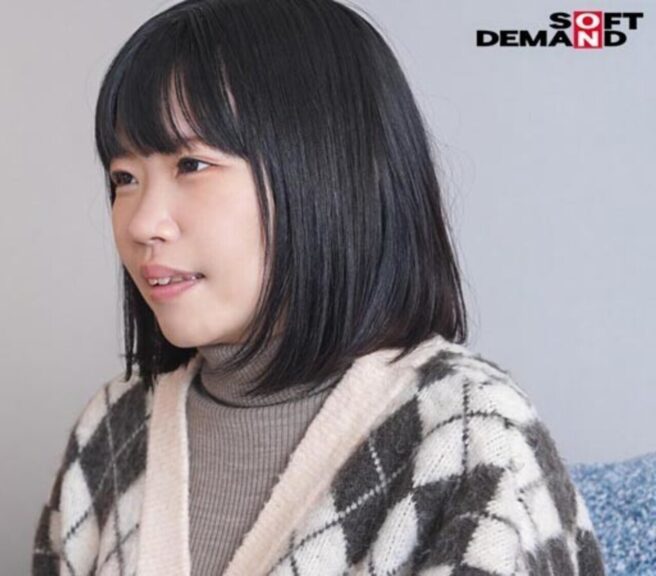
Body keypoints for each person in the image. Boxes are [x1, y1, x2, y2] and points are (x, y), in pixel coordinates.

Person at [32, 0, 606, 574]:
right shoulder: (112, 428)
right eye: (124, 178)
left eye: (191, 165)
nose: (140, 224)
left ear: (327, 168)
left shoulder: (468, 433)